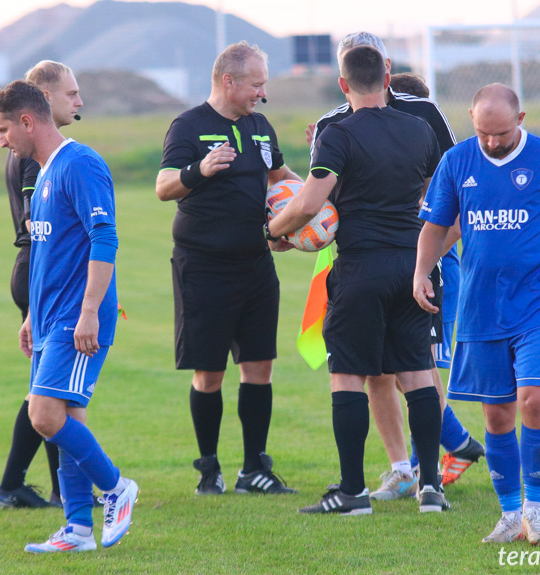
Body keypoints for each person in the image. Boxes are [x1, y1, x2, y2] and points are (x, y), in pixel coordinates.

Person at [269, 45, 447, 514]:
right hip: (412, 267)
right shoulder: (419, 130)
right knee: (415, 371)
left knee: (348, 374)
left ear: (343, 86)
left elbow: (309, 204)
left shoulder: (337, 133)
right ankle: (431, 487)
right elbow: (436, 200)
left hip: (360, 268)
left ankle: (352, 493)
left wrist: (274, 230)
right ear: (387, 79)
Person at [414, 83, 540, 544]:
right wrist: (420, 273)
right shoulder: (457, 162)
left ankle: (535, 508)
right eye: (483, 133)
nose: (492, 142)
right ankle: (511, 515)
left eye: (501, 132)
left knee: (534, 399)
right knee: (497, 417)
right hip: (480, 308)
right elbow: (436, 228)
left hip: (539, 303)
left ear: (522, 118)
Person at [307, 32, 483, 501]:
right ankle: (408, 472)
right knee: (384, 373)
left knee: (405, 366)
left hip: (409, 262)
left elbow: (454, 192)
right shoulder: (331, 126)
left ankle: (420, 469)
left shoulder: (422, 116)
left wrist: (432, 253)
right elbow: (326, 208)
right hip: (382, 260)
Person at [0, 80, 138, 553]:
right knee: (69, 418)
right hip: (49, 319)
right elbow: (49, 255)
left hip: (77, 319)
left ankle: (115, 488)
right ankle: (76, 530)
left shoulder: (80, 163)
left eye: (4, 128)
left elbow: (104, 239)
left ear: (28, 121)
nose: (2, 139)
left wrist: (90, 311)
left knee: (44, 416)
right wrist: (31, 314)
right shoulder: (44, 170)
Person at [155, 41, 300, 496]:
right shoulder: (190, 125)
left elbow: (281, 176)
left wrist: (310, 206)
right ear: (229, 81)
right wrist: (199, 170)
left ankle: (254, 468)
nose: (262, 93)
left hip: (255, 265)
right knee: (209, 372)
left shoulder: (260, 127)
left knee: (259, 366)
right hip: (203, 267)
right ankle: (209, 470)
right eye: (256, 84)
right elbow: (163, 187)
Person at [0, 60, 84, 510]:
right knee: (51, 394)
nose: (79, 101)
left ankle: (19, 485)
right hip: (41, 274)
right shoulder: (38, 158)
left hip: (34, 273)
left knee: (46, 391)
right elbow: (40, 226)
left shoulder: (38, 153)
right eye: (71, 93)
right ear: (43, 101)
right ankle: (58, 489)